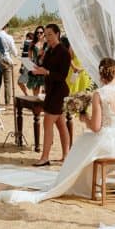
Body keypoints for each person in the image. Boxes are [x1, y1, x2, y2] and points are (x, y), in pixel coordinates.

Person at [0, 58, 115, 204]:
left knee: (81, 144)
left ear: (101, 75)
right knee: (86, 145)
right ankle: (91, 184)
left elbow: (95, 127)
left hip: (110, 144)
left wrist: (84, 117)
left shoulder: (100, 94)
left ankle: (78, 184)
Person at [32, 24, 72, 166]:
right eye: (46, 35)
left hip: (59, 92)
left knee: (47, 122)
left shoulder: (64, 52)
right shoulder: (49, 50)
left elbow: (62, 76)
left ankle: (45, 157)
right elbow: (46, 67)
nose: (47, 37)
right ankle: (66, 156)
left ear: (57, 34)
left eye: (50, 34)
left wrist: (46, 72)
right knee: (61, 124)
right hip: (50, 90)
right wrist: (39, 68)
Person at [0, 24, 18, 106]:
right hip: (7, 60)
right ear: (6, 27)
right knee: (7, 82)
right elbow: (15, 52)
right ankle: (7, 102)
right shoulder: (9, 37)